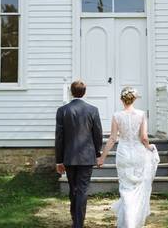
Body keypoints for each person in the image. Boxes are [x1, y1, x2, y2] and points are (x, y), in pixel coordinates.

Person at [97, 86, 159, 228]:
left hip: (124, 154)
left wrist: (102, 157)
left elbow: (112, 138)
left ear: (121, 99)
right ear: (134, 99)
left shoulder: (117, 116)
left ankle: (128, 222)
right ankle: (133, 222)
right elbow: (144, 138)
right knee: (137, 188)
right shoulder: (142, 114)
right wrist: (149, 147)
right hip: (138, 154)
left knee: (125, 188)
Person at [55, 79, 103, 228]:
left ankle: (75, 219)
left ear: (71, 92)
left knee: (73, 188)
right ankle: (78, 223)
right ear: (84, 92)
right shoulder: (93, 110)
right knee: (82, 189)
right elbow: (98, 134)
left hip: (69, 157)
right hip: (87, 157)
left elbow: (59, 137)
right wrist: (97, 152)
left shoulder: (63, 110)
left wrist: (59, 160)